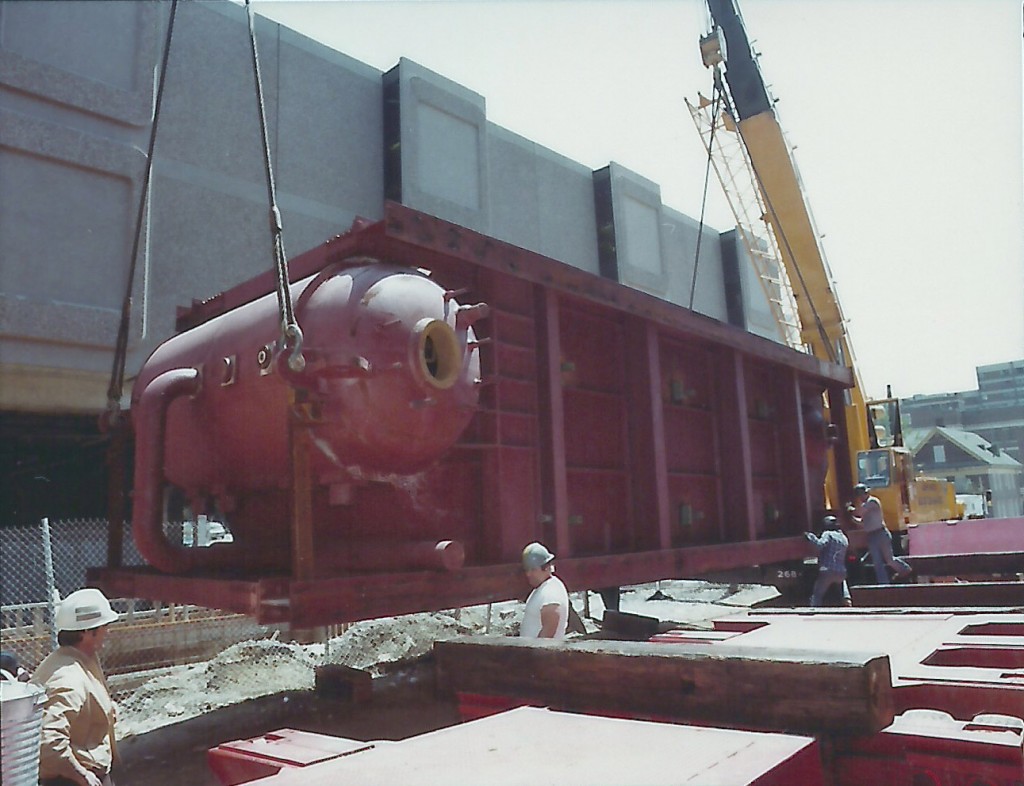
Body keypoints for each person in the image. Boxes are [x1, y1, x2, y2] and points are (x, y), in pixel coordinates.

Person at [32, 587, 120, 786]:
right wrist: (81, 774)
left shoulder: (75, 659)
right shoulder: (68, 678)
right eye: (104, 625)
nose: (108, 630)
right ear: (88, 632)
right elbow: (49, 741)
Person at [847, 483, 912, 585]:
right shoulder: (865, 506)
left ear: (864, 494)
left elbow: (859, 511)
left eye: (860, 495)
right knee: (877, 563)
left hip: (881, 533)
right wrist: (852, 519)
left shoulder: (872, 501)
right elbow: (862, 523)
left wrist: (850, 509)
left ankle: (905, 570)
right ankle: (884, 584)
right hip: (872, 536)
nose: (860, 498)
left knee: (889, 559)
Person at [520, 542, 569, 639]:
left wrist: (534, 653)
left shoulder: (551, 593)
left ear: (546, 568)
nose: (528, 574)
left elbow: (548, 634)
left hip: (541, 653)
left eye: (533, 569)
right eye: (527, 570)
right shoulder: (544, 588)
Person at [804, 516, 852, 607]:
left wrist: (810, 536)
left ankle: (814, 608)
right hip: (841, 571)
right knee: (841, 581)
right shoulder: (844, 537)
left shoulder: (828, 534)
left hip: (827, 570)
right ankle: (847, 600)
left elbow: (819, 545)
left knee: (817, 594)